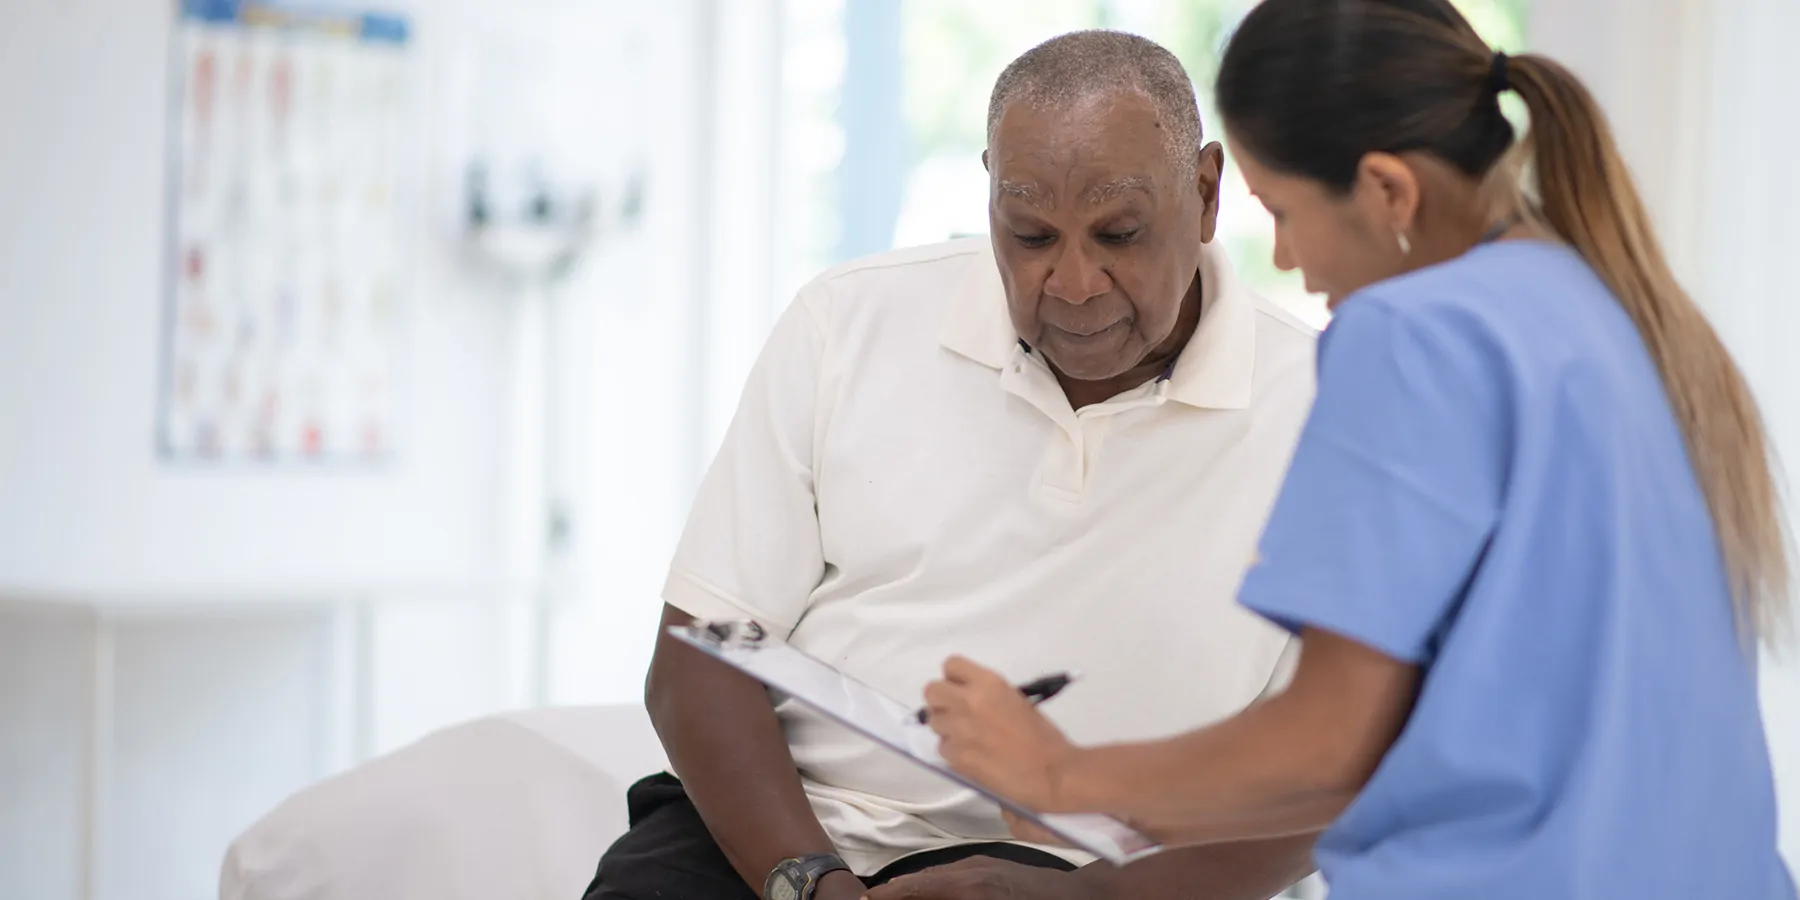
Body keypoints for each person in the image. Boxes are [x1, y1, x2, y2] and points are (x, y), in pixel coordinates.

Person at [919, 2, 1798, 899]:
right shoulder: (1612, 313)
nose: (1294, 263)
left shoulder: (1414, 334)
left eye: (1286, 213)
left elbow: (1331, 747)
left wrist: (1058, 775)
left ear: (1388, 191)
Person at [580, 30, 1324, 900]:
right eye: (1032, 234)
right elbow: (699, 656)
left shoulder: (1327, 410)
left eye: (1119, 233)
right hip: (793, 839)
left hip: (1095, 878)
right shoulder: (848, 323)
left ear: (1203, 194)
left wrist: (1089, 897)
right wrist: (816, 885)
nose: (1075, 281)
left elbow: (1339, 775)